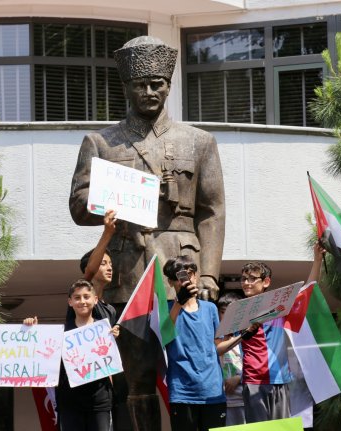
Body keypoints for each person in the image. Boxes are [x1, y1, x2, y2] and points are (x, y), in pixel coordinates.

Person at [68, 35, 226, 429]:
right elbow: (77, 204)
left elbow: (212, 211)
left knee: (193, 373)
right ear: (126, 87)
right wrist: (118, 202)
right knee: (135, 381)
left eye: (157, 83)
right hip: (129, 275)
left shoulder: (199, 141)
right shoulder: (101, 142)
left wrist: (208, 274)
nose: (150, 91)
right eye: (141, 83)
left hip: (182, 275)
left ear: (169, 86)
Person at [238, 242, 326, 423]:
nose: (246, 283)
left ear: (266, 282)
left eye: (252, 278)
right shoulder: (238, 310)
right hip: (254, 381)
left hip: (280, 378)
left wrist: (317, 260)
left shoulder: (279, 306)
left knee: (281, 427)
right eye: (243, 279)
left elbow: (308, 289)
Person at [24, 279, 116, 431]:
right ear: (70, 302)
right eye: (77, 297)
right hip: (69, 403)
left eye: (86, 296)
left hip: (100, 402)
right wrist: (31, 331)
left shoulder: (106, 330)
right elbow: (41, 357)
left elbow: (112, 364)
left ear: (95, 299)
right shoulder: (60, 333)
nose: (82, 301)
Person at [162, 255, 230, 431]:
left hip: (213, 390)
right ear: (171, 282)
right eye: (179, 276)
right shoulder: (165, 310)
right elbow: (164, 336)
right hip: (182, 392)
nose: (187, 279)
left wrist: (242, 336)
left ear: (196, 276)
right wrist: (179, 302)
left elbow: (218, 347)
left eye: (191, 273)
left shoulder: (211, 308)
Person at [217, 291, 247, 426]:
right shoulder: (215, 337)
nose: (226, 316)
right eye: (223, 312)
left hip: (244, 398)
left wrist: (239, 377)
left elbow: (256, 361)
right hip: (222, 400)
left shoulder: (246, 335)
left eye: (231, 312)